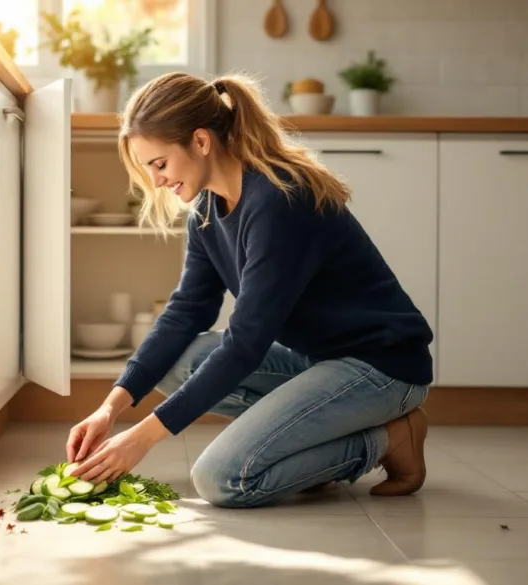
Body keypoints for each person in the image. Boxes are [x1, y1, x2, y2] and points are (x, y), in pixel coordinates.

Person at [66, 71, 434, 508]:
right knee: (173, 361)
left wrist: (140, 438)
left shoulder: (279, 200)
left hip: (382, 367)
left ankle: (390, 438)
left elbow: (246, 344)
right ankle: (306, 445)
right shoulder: (206, 210)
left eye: (160, 163)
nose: (157, 181)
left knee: (222, 478)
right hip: (317, 362)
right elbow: (187, 311)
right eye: (149, 169)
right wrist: (111, 407)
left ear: (201, 141)